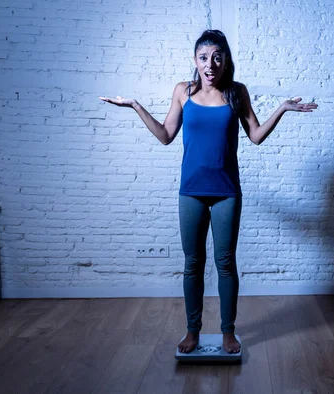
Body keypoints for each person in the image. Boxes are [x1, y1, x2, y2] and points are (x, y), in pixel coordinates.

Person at [99, 29, 318, 354]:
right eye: (204, 57)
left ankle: (228, 332)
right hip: (191, 191)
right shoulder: (183, 92)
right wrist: (135, 106)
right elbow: (165, 135)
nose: (210, 63)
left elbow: (255, 136)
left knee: (225, 262)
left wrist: (282, 109)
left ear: (226, 59)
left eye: (217, 57)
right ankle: (193, 332)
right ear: (195, 60)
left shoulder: (236, 93)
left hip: (227, 191)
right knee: (193, 263)